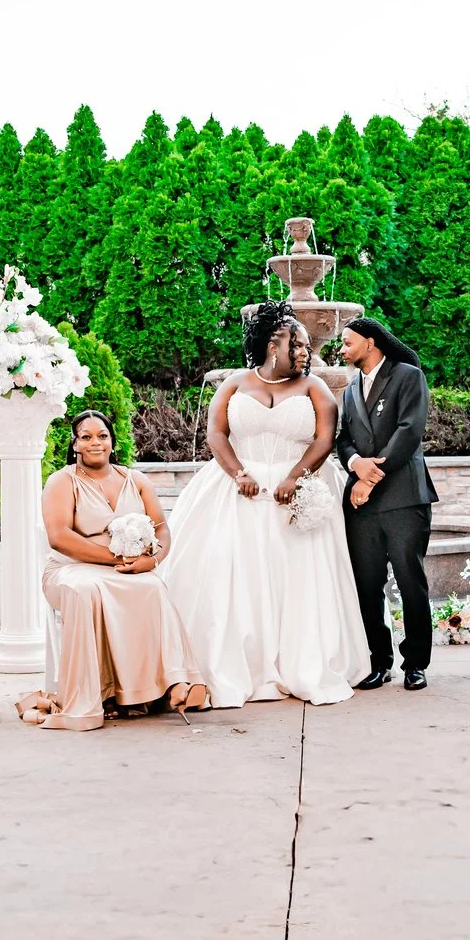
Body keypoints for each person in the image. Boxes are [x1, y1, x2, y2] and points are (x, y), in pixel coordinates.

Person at [160, 302, 370, 705]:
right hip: (239, 491)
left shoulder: (315, 388)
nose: (307, 351)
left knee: (296, 577)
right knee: (232, 571)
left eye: (308, 345)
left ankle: (298, 660)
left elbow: (325, 439)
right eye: (301, 344)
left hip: (296, 491)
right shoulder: (234, 384)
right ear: (275, 344)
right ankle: (240, 661)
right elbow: (216, 434)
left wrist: (295, 476)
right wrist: (239, 473)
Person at [39, 409, 206, 729]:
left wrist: (153, 560)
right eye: (86, 437)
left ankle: (169, 684)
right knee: (89, 589)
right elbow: (59, 538)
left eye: (102, 436)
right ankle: (103, 693)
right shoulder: (62, 481)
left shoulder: (136, 479)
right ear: (74, 444)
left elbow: (162, 528)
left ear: (112, 441)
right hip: (70, 569)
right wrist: (115, 560)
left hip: (124, 569)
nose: (95, 443)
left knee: (153, 586)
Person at [335, 315, 440, 691]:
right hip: (362, 505)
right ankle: (378, 662)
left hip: (404, 499)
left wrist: (369, 479)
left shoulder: (408, 376)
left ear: (370, 342)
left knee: (411, 582)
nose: (342, 349)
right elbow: (343, 439)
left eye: (348, 342)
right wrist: (354, 464)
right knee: (367, 585)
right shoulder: (348, 391)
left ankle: (416, 663)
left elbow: (409, 431)